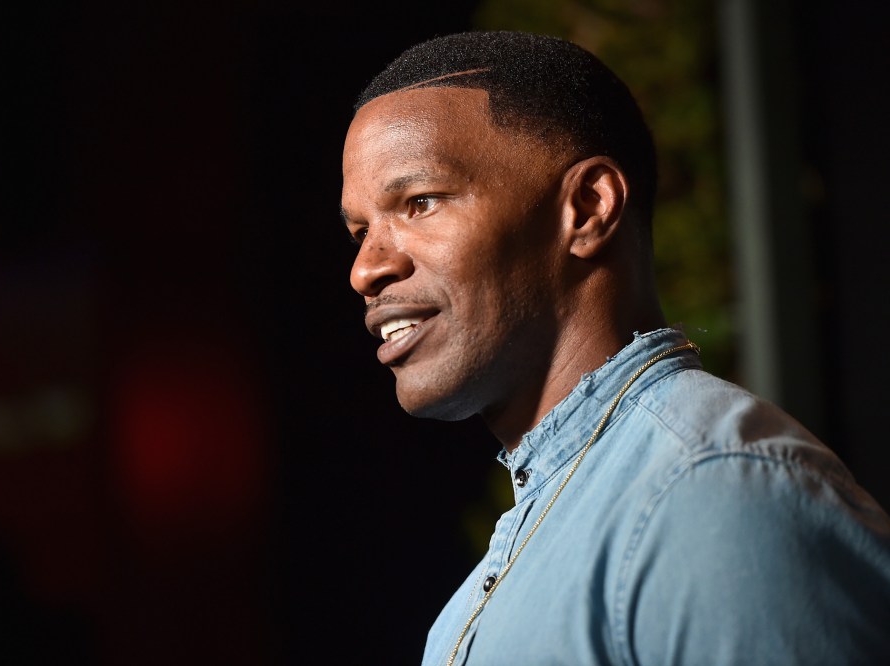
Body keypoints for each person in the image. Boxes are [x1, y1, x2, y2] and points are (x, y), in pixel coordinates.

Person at [339, 31, 890, 665]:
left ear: (589, 207)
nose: (365, 270)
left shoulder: (713, 495)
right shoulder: (548, 534)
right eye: (359, 231)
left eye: (420, 203)